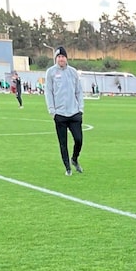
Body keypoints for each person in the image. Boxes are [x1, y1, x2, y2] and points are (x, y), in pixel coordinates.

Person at [45, 47, 84, 175]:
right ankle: (67, 168)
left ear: (66, 58)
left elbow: (79, 91)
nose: (61, 59)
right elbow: (48, 92)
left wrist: (80, 108)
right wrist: (52, 111)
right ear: (56, 58)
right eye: (59, 57)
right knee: (63, 143)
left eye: (63, 56)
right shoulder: (51, 72)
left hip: (74, 112)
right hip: (60, 114)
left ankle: (74, 159)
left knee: (78, 139)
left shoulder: (73, 72)